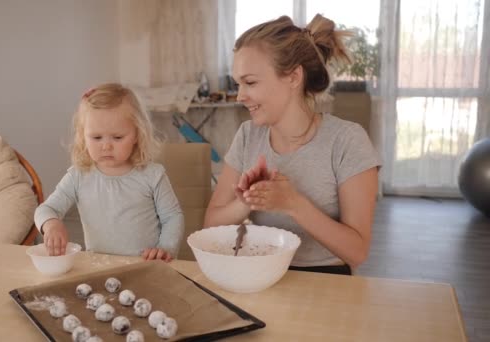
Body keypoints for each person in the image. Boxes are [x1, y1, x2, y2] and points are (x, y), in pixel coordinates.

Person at [204, 15, 382, 275]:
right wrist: (248, 201)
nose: (240, 96)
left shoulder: (347, 141)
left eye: (250, 82)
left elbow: (357, 252)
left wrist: (293, 203)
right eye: (237, 84)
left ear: (293, 77)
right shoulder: (247, 136)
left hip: (326, 282)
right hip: (261, 274)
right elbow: (211, 223)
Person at [35, 83, 184, 262]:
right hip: (98, 266)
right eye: (96, 137)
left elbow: (172, 217)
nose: (106, 146)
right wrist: (51, 224)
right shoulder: (78, 176)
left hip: (146, 266)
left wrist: (165, 247)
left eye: (117, 137)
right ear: (83, 136)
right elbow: (46, 209)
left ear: (137, 134)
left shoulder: (153, 175)